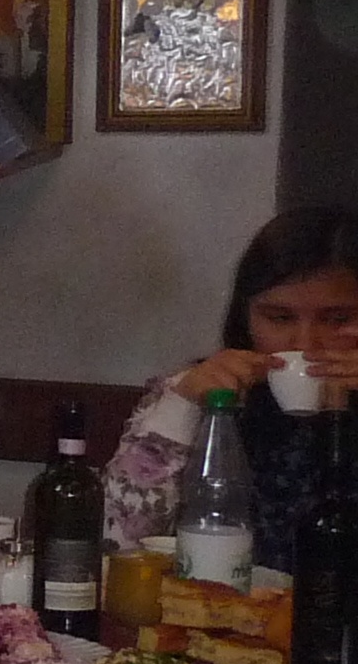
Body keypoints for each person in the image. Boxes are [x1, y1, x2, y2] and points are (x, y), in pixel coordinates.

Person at [102, 207, 358, 568]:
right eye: (279, 318)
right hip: (218, 598)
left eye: (338, 319)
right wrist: (181, 407)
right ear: (245, 316)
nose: (305, 343)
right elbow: (115, 545)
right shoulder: (199, 390)